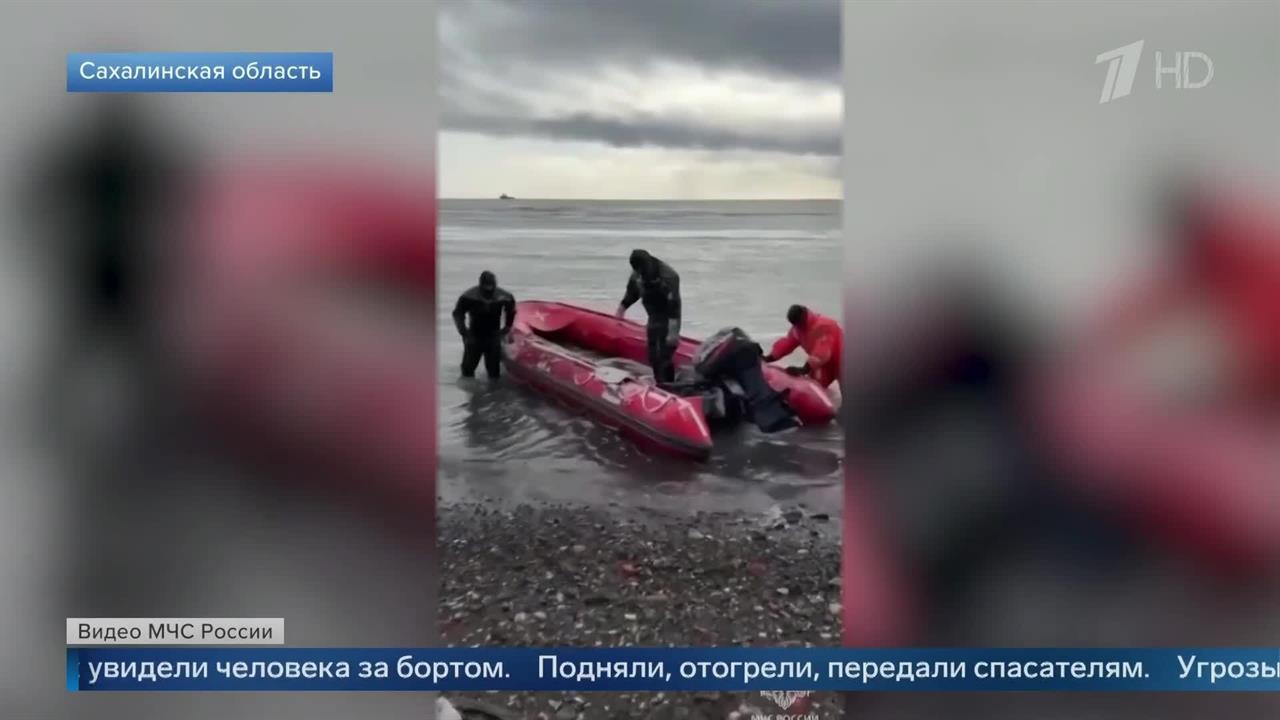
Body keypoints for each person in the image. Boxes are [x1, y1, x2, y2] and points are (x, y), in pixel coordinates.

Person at [616, 249, 682, 383]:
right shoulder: (637, 275)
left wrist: (673, 333)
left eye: (642, 270)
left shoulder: (669, 276)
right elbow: (631, 293)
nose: (640, 274)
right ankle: (659, 383)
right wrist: (621, 309)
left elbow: (674, 305)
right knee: (653, 355)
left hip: (668, 315)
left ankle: (670, 384)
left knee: (664, 355)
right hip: (653, 315)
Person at [453, 271, 515, 379]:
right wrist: (463, 331)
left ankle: (494, 393)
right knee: (467, 369)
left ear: (495, 285)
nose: (489, 289)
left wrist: (507, 327)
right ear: (481, 285)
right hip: (474, 335)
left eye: (491, 286)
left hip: (493, 335)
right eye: (486, 286)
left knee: (494, 372)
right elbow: (458, 313)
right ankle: (468, 391)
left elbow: (511, 311)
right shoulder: (468, 296)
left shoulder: (505, 296)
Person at [763, 304, 842, 389]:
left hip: (843, 360)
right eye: (794, 324)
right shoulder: (797, 330)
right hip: (824, 364)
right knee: (816, 386)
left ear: (803, 317)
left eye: (798, 323)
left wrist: (803, 369)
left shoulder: (824, 326)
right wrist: (769, 358)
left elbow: (822, 352)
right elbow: (786, 344)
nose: (796, 326)